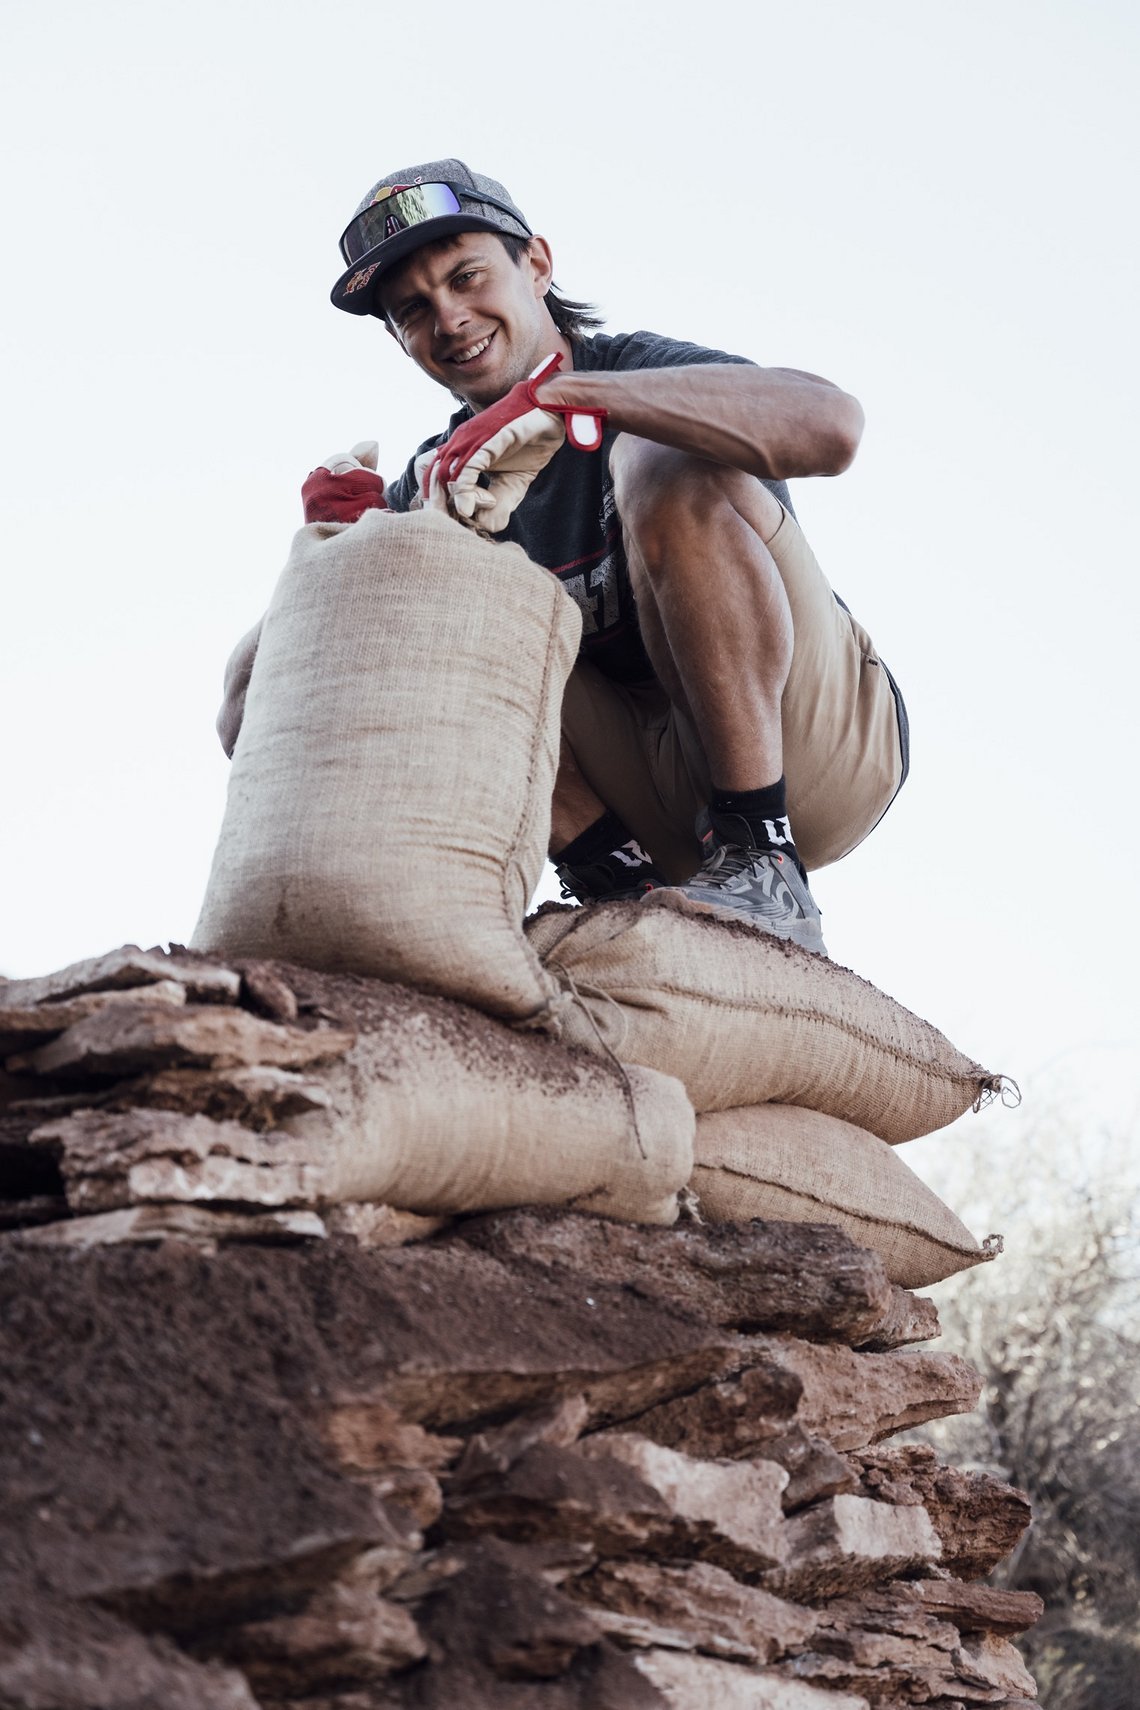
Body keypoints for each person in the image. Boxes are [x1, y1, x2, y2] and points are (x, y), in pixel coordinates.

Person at [219, 159, 908, 957]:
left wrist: (564, 398)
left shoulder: (634, 370)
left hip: (812, 748)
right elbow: (246, 707)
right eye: (413, 309)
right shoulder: (440, 481)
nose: (449, 317)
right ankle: (616, 883)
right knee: (384, 612)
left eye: (467, 276)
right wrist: (345, 568)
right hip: (638, 804)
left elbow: (834, 428)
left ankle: (762, 856)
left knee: (659, 462)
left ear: (537, 265)